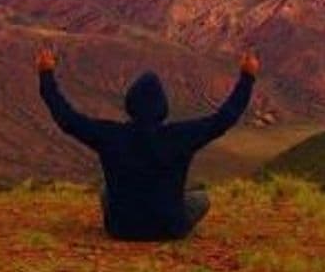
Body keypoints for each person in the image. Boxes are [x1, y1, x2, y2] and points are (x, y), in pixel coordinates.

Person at [36, 46, 259, 241]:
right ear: (163, 107)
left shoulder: (111, 135)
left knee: (106, 192)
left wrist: (46, 76)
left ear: (130, 105)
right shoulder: (180, 136)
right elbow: (223, 119)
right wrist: (247, 78)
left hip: (121, 228)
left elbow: (68, 120)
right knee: (200, 198)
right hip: (171, 227)